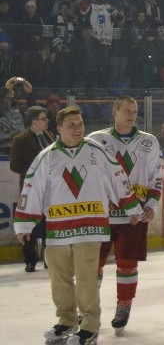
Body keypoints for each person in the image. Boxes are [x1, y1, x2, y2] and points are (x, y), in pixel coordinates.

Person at [14, 106, 143, 345]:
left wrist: (132, 207)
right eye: (71, 125)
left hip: (91, 227)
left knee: (86, 279)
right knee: (59, 279)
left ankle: (89, 325)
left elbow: (118, 178)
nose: (77, 128)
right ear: (59, 129)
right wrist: (24, 224)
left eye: (80, 124)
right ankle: (66, 320)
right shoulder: (47, 156)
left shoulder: (97, 151)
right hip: (58, 228)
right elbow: (31, 190)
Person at [87, 96, 163, 333]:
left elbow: (156, 175)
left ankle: (124, 305)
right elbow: (88, 176)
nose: (132, 115)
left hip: (135, 214)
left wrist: (151, 203)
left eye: (135, 111)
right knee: (93, 265)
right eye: (127, 111)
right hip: (102, 216)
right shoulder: (96, 141)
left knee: (127, 264)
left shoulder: (149, 142)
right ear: (115, 111)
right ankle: (89, 308)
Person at [9, 105, 55, 271]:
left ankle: (49, 258)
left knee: (49, 224)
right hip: (31, 188)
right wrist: (35, 173)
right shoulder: (20, 139)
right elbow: (14, 165)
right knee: (30, 224)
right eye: (43, 119)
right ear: (34, 122)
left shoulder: (49, 136)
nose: (47, 121)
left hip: (50, 189)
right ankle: (30, 259)